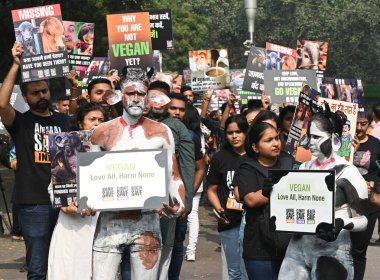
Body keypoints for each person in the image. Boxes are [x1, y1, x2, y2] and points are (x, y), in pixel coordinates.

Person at [90, 68, 185, 279]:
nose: (135, 99)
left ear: (148, 98)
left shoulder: (161, 132)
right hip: (109, 223)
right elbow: (89, 177)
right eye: (130, 93)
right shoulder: (101, 132)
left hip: (147, 222)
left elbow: (173, 175)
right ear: (119, 97)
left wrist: (178, 203)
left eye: (140, 94)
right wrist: (86, 201)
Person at [0, 41, 71, 279]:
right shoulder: (20, 122)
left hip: (64, 201)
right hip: (34, 203)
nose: (41, 95)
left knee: (63, 262)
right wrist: (15, 65)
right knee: (38, 266)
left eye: (44, 90)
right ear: (26, 96)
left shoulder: (64, 121)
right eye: (35, 92)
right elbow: (1, 104)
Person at [278, 110, 368, 280]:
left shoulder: (348, 173)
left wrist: (341, 223)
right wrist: (276, 189)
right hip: (297, 250)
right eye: (310, 136)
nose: (311, 143)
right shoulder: (303, 168)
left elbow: (363, 220)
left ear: (334, 139)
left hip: (332, 252)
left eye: (317, 137)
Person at [47, 103, 107, 279]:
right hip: (71, 228)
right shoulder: (64, 151)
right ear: (81, 123)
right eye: (92, 119)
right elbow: (55, 187)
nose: (97, 124)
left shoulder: (111, 152)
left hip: (100, 227)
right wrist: (67, 206)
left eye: (101, 120)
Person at [235, 121, 291, 280]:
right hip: (258, 247)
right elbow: (251, 200)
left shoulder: (289, 162)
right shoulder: (247, 166)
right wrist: (271, 189)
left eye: (276, 138)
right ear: (255, 147)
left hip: (290, 245)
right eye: (268, 140)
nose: (275, 143)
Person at [207, 114, 248, 279]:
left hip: (252, 222)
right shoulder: (220, 157)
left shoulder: (255, 156)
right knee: (233, 270)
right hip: (229, 220)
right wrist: (218, 209)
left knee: (248, 270)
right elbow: (211, 189)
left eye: (238, 132)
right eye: (230, 133)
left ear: (246, 132)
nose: (234, 136)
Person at [166, 98, 206, 264]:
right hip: (155, 205)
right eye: (173, 108)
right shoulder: (150, 130)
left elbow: (201, 168)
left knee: (175, 246)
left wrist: (187, 195)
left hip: (179, 205)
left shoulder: (189, 136)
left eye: (181, 110)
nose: (177, 113)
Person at [350, 107, 380, 280]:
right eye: (356, 123)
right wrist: (349, 151)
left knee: (359, 250)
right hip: (344, 203)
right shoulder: (340, 143)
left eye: (364, 123)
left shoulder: (376, 145)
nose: (359, 128)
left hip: (368, 205)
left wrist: (374, 188)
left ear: (370, 123)